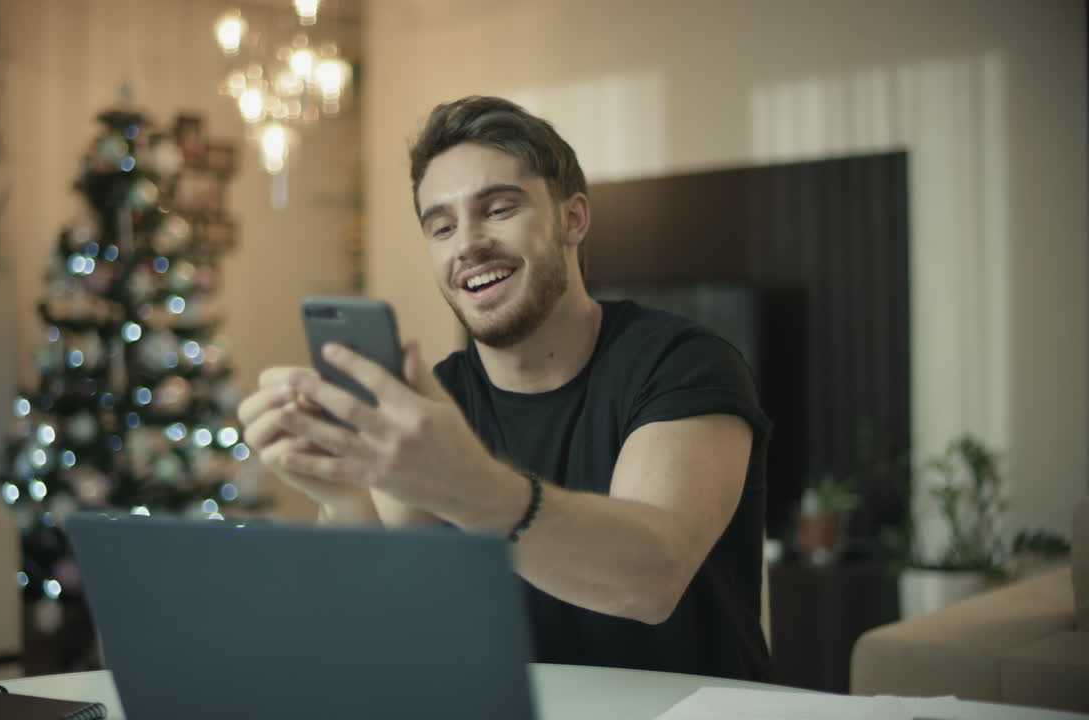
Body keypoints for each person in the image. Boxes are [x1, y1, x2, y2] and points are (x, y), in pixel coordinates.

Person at [237, 96, 772, 681]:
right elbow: (389, 620)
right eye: (442, 227)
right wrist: (340, 498)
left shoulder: (683, 363)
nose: (467, 244)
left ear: (573, 219)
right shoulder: (437, 400)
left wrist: (469, 485)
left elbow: (649, 579)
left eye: (497, 209)